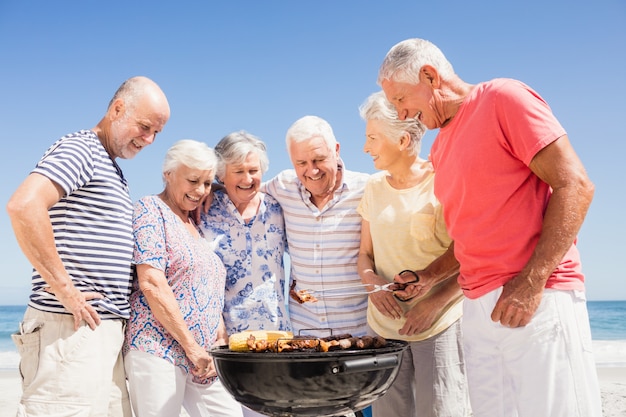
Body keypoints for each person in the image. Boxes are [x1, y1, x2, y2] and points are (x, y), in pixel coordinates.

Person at [378, 38, 601, 417]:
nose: (401, 113)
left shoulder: (503, 98)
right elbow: (471, 235)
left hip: (536, 299)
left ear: (430, 77)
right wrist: (429, 276)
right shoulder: (440, 148)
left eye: (401, 100)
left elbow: (576, 185)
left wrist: (532, 282)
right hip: (478, 312)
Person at [6, 76, 169, 417]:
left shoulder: (112, 168)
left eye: (156, 132)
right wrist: (66, 290)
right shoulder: (83, 148)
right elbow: (24, 206)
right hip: (70, 330)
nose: (149, 139)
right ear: (117, 109)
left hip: (99, 333)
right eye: (143, 127)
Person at [357, 91, 471, 417]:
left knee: (440, 411)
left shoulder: (443, 181)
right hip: (384, 328)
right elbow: (364, 254)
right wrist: (372, 285)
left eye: (373, 138)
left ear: (403, 140)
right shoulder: (374, 187)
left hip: (439, 324)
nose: (366, 147)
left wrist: (434, 304)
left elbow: (469, 254)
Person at [123, 140, 243, 417]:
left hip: (203, 357)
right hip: (157, 347)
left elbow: (207, 291)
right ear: (168, 173)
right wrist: (191, 346)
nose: (200, 191)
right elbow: (152, 283)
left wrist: (219, 343)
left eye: (206, 183)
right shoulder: (150, 210)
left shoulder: (194, 225)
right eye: (192, 180)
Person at [263, 115, 371, 339]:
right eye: (301, 163)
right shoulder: (282, 186)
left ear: (337, 149)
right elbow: (244, 189)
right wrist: (212, 190)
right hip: (306, 336)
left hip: (360, 334)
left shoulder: (368, 188)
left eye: (319, 159)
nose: (312, 171)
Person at [199, 131, 290, 336]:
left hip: (276, 336)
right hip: (223, 339)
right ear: (221, 174)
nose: (247, 179)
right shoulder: (204, 212)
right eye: (238, 171)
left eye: (253, 170)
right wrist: (208, 188)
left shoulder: (278, 208)